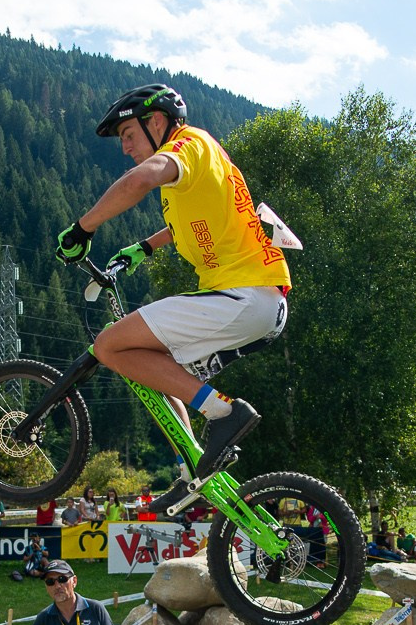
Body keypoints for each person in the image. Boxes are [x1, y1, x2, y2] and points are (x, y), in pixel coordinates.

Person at [54, 83, 292, 509]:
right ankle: (191, 469)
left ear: (157, 122)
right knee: (156, 369)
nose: (124, 147)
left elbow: (140, 179)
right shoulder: (196, 164)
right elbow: (197, 221)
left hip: (243, 296)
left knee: (109, 344)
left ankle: (224, 411)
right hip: (257, 304)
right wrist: (143, 248)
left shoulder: (189, 145)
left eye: (128, 135)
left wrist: (83, 227)